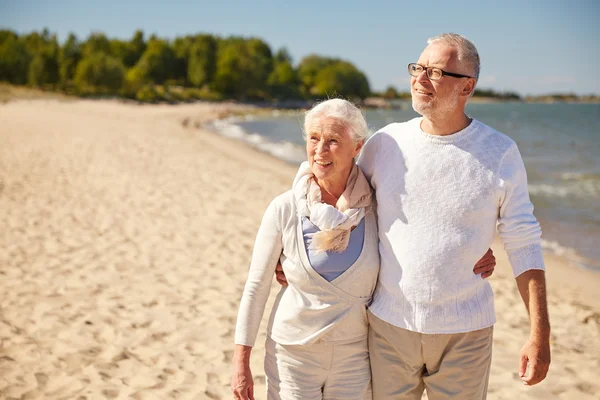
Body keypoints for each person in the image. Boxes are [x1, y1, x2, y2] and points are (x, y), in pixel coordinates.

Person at [232, 98, 497, 400]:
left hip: (355, 356)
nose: (320, 150)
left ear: (358, 147)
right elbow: (256, 286)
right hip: (292, 354)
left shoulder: (376, 206)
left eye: (333, 141)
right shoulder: (284, 209)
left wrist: (475, 252)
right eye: (314, 139)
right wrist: (241, 362)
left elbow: (426, 235)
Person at [355, 33, 551, 399]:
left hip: (466, 333)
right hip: (388, 326)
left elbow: (524, 244)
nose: (419, 78)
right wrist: (297, 256)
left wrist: (539, 336)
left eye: (434, 71)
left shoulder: (500, 153)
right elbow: (343, 203)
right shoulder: (384, 144)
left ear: (467, 87)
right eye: (418, 68)